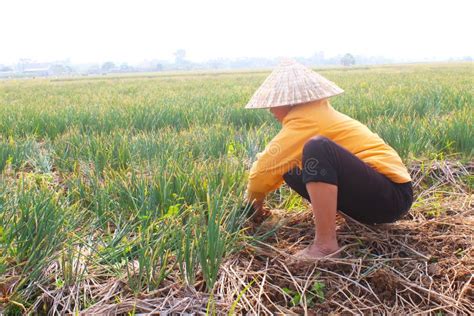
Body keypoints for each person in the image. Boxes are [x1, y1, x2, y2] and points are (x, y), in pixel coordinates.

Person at [244, 60, 413, 260]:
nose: (270, 110)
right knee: (289, 168)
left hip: (391, 197)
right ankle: (344, 221)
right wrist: (259, 206)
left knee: (317, 147)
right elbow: (274, 165)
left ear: (291, 102)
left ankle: (325, 246)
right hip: (376, 197)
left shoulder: (306, 119)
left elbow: (262, 169)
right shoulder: (314, 114)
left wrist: (252, 202)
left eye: (274, 103)